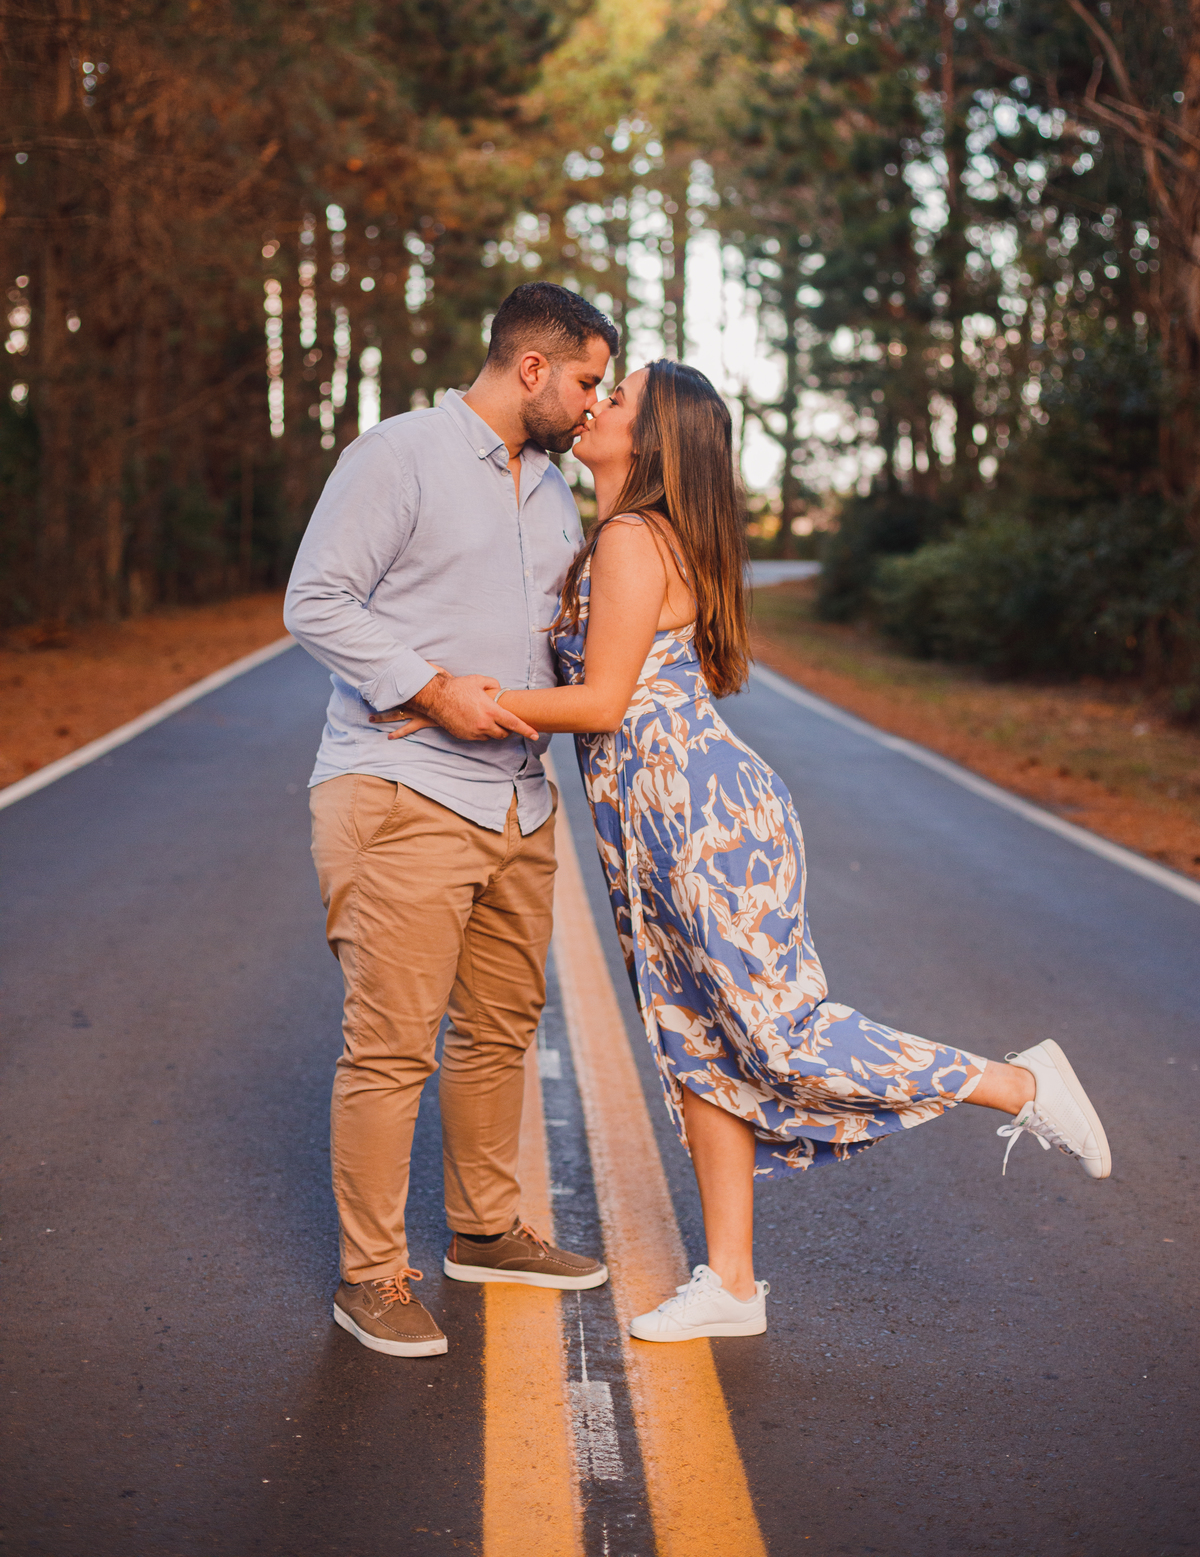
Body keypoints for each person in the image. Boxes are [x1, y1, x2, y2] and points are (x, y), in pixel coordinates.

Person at [376, 359, 1112, 1346]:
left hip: (704, 819)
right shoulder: (619, 536)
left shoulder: (635, 540)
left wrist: (452, 702)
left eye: (621, 396)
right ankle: (731, 1284)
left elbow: (599, 704)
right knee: (697, 1046)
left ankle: (1018, 1083)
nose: (598, 402)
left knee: (779, 1036)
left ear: (654, 441)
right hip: (650, 827)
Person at [284, 281, 616, 1362]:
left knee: (503, 1029)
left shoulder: (557, 490)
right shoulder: (401, 454)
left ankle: (486, 1229)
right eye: (585, 382)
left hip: (521, 800)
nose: (591, 404)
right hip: (404, 789)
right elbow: (317, 599)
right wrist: (430, 689)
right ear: (532, 369)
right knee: (390, 1051)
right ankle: (369, 1276)